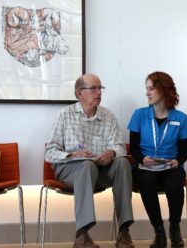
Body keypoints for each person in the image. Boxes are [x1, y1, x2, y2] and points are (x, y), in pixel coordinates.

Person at [45, 74, 135, 248]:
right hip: (72, 169)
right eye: (93, 88)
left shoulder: (108, 116)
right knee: (86, 165)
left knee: (123, 162)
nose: (98, 92)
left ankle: (124, 232)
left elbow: (120, 147)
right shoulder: (64, 115)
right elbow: (50, 152)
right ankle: (82, 234)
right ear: (80, 93)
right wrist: (73, 155)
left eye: (100, 88)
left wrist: (111, 152)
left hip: (101, 169)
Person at [127, 71, 187, 248]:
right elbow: (133, 147)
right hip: (145, 165)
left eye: (151, 89)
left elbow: (184, 152)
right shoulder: (139, 115)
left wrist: (177, 161)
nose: (147, 93)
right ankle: (159, 232)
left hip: (170, 166)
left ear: (164, 90)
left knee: (174, 184)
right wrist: (142, 158)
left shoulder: (181, 118)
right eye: (146, 89)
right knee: (146, 182)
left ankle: (174, 228)